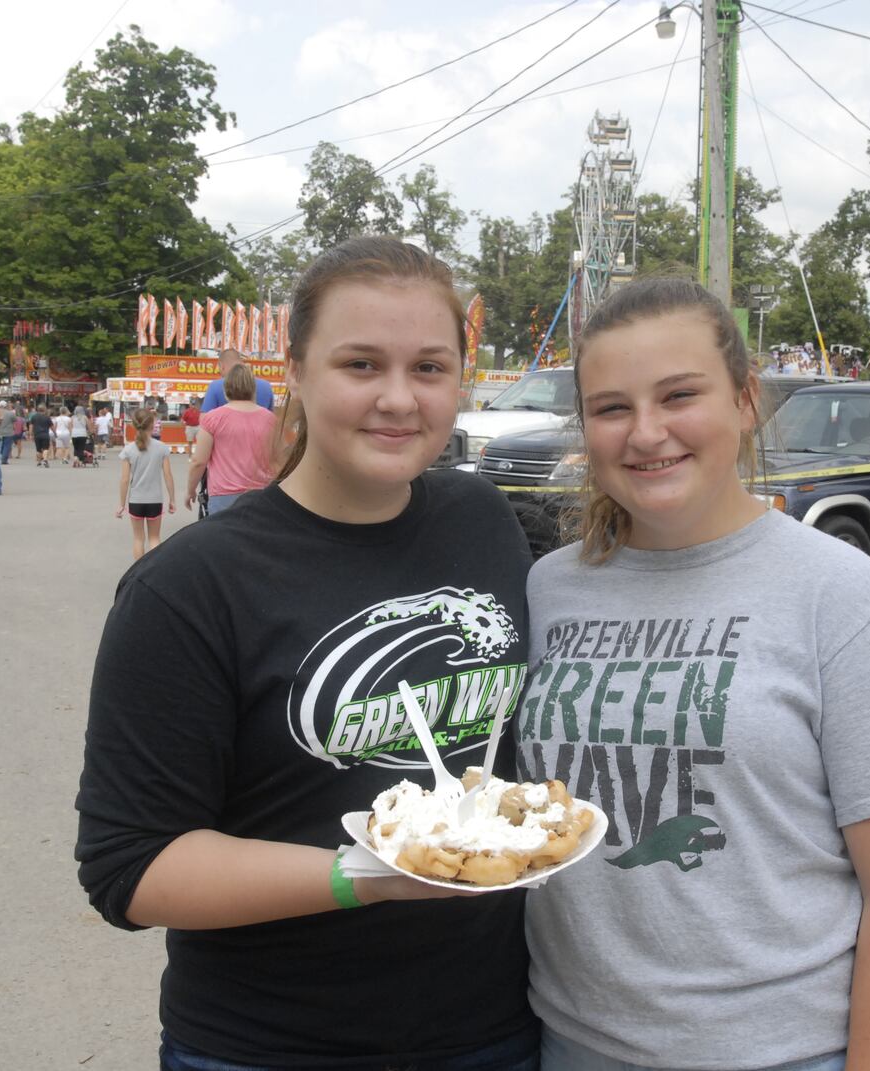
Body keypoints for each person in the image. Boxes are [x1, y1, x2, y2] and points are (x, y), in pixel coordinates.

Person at [75, 237, 538, 1069]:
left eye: (430, 368)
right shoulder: (191, 585)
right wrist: (370, 872)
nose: (398, 398)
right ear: (295, 369)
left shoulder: (483, 522)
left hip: (493, 1029)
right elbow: (131, 869)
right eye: (360, 364)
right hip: (270, 1043)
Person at [517, 278, 870, 1071]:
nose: (646, 433)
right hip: (571, 1045)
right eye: (611, 407)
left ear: (746, 399)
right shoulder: (550, 588)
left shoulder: (842, 596)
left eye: (679, 395)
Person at [184, 364, 274, 516]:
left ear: (226, 389)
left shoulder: (212, 419)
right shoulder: (271, 420)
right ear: (253, 389)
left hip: (223, 496)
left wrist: (190, 490)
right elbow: (281, 461)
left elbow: (199, 461)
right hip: (262, 495)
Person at [114, 408, 175, 559]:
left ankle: (137, 573)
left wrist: (122, 504)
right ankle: (155, 570)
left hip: (136, 500)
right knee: (155, 538)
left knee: (138, 538)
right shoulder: (162, 447)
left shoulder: (128, 450)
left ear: (133, 425)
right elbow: (168, 475)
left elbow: (125, 479)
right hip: (155, 500)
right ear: (152, 424)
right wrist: (172, 499)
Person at [200, 349, 274, 414]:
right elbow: (271, 421)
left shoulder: (215, 386)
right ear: (241, 362)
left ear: (221, 366)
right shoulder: (266, 386)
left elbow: (204, 419)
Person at [0, 398, 16, 466]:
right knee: (7, 446)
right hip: (9, 432)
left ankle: (0, 457)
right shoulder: (10, 413)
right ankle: (4, 460)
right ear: (6, 406)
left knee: (0, 445)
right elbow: (14, 420)